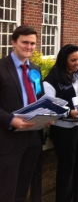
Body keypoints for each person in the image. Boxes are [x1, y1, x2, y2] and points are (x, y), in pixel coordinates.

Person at [43, 44, 78, 202]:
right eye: (73, 60)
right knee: (67, 167)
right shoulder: (52, 79)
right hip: (64, 129)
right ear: (63, 60)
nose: (77, 63)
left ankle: (77, 198)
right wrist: (68, 112)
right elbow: (49, 105)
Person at [0, 25, 45, 202]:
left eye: (33, 43)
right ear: (13, 42)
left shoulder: (35, 69)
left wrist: (47, 115)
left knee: (22, 190)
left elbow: (38, 97)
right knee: (6, 191)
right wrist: (11, 120)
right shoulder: (1, 68)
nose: (29, 47)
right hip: (9, 139)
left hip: (34, 137)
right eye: (25, 42)